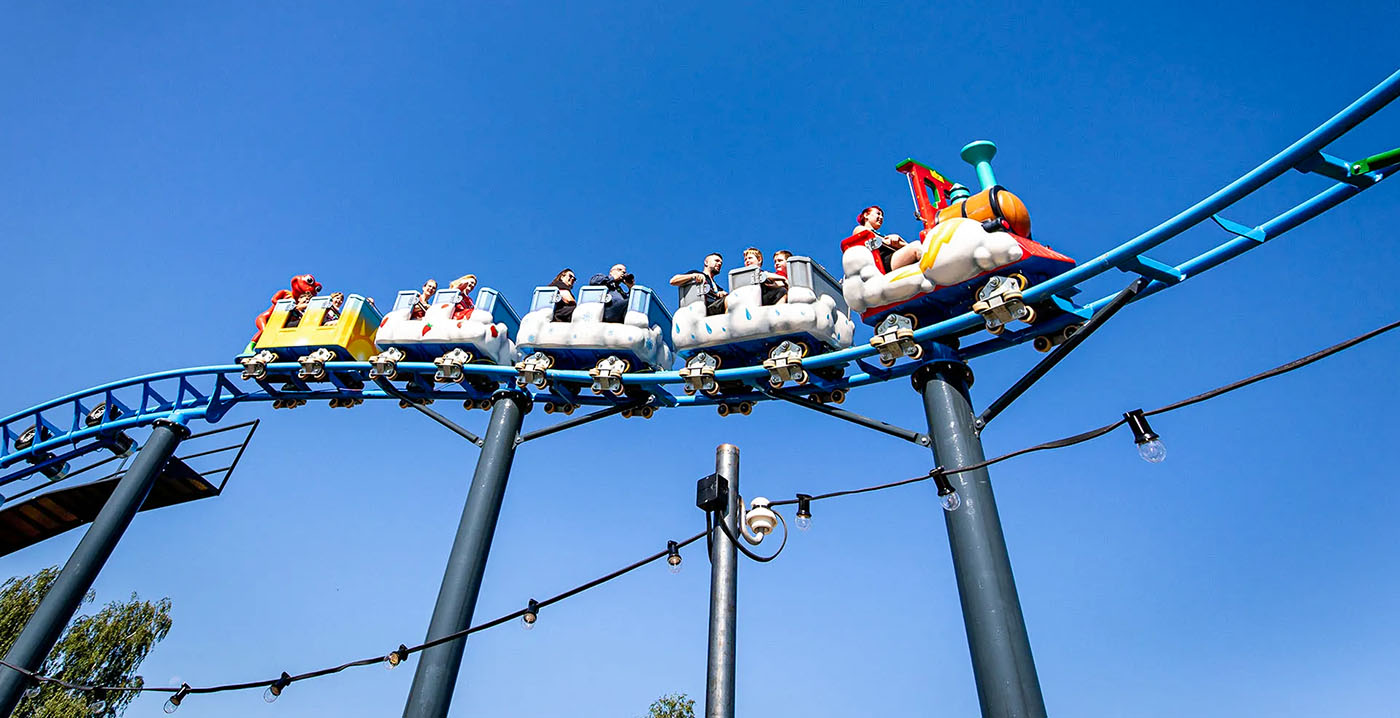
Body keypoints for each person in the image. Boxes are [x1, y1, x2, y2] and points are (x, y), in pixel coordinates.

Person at [855, 206, 920, 271]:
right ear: (866, 215)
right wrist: (887, 242)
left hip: (892, 259)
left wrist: (900, 241)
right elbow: (867, 245)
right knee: (916, 246)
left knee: (920, 246)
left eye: (882, 216)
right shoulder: (860, 229)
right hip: (882, 263)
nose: (881, 217)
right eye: (878, 214)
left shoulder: (883, 236)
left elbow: (906, 246)